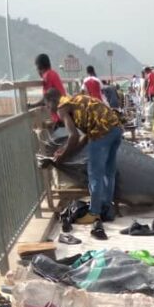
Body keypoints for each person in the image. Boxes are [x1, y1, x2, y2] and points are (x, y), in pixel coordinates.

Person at [45, 88, 123, 223]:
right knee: (108, 172)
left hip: (101, 132)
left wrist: (62, 157)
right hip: (115, 129)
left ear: (53, 101)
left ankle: (94, 213)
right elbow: (84, 137)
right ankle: (106, 207)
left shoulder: (61, 108)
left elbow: (73, 136)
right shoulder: (74, 101)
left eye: (47, 105)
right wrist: (66, 150)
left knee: (95, 174)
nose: (48, 109)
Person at [28, 53, 66, 122]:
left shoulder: (47, 76)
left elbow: (46, 98)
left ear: (39, 66)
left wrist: (31, 105)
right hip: (64, 111)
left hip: (59, 116)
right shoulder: (53, 73)